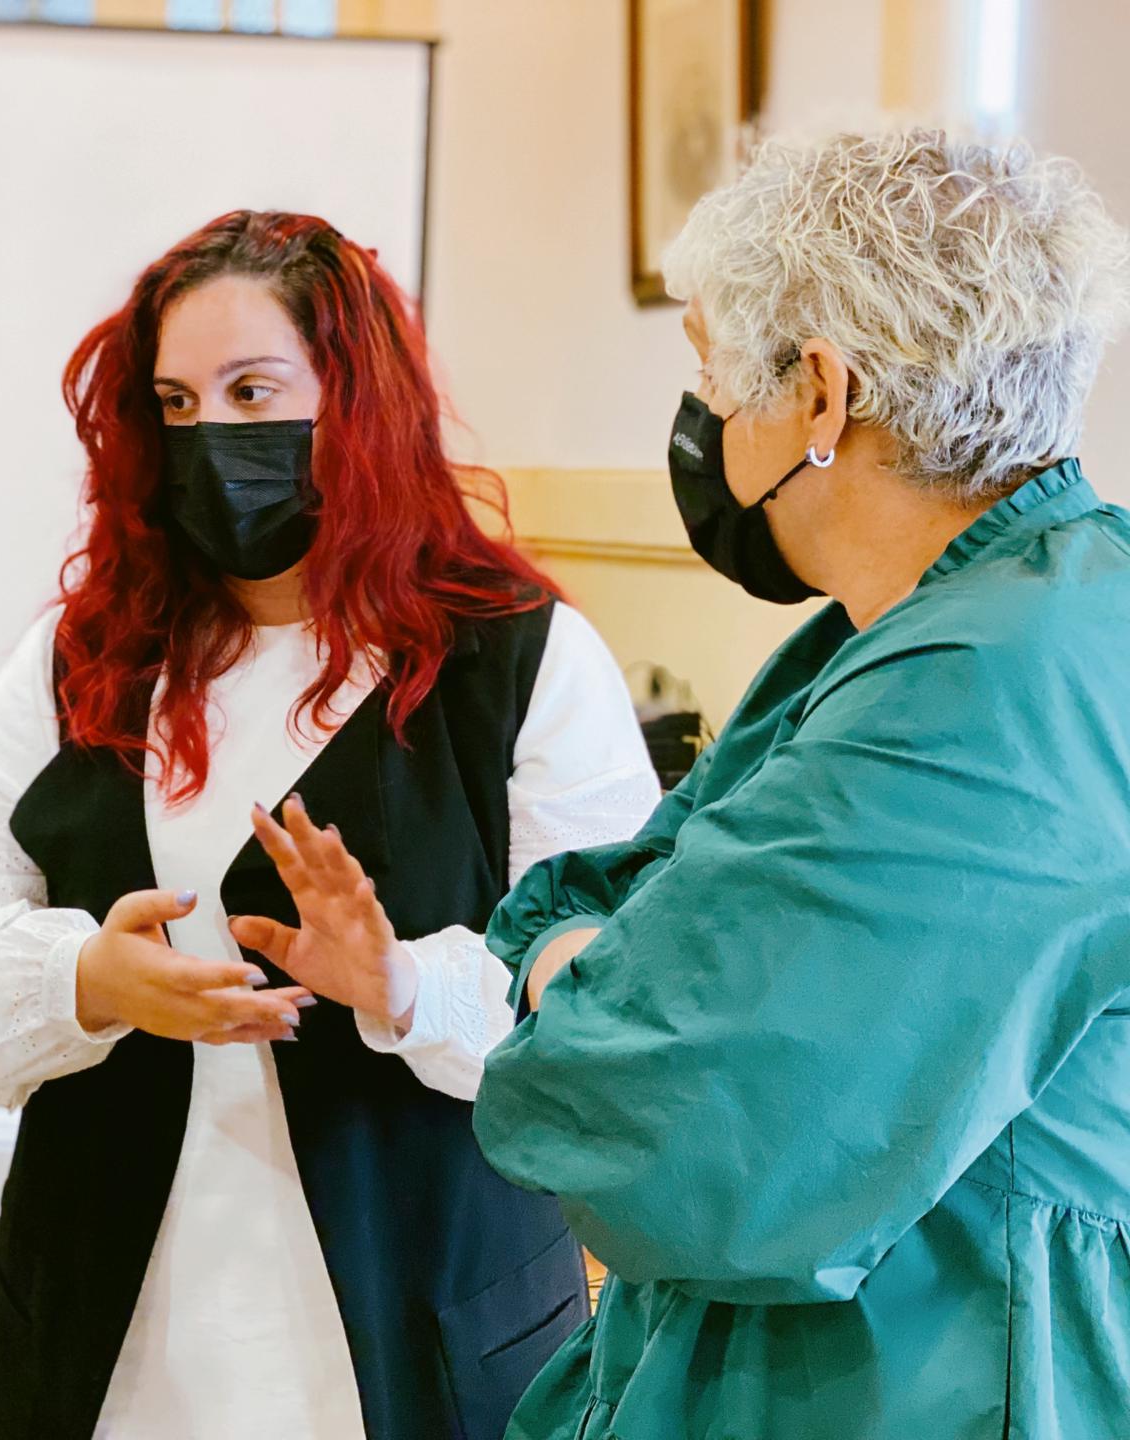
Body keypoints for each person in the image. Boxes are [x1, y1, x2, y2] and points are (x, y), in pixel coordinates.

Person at [256, 131, 1130, 1437]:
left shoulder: (987, 688)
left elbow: (676, 1122)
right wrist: (593, 968)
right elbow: (620, 919)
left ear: (821, 395)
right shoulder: (952, 624)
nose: (705, 416)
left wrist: (573, 982)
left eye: (713, 369)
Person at [0, 211, 661, 1440]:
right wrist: (87, 981)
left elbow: (616, 1009)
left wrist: (399, 986)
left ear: (359, 403)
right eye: (176, 405)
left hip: (424, 1339)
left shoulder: (526, 659)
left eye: (252, 393)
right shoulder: (81, 659)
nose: (210, 440)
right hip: (112, 1344)